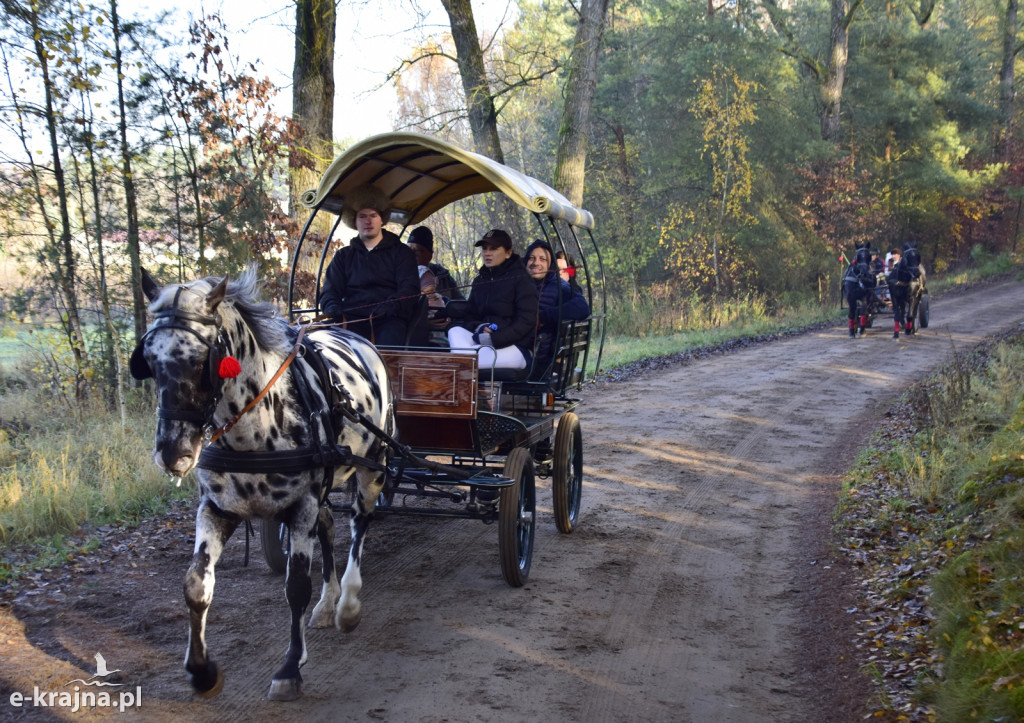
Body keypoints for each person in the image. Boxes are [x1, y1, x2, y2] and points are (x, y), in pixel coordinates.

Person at [318, 184, 421, 346]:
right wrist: (332, 308)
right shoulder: (343, 256)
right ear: (354, 220)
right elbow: (329, 292)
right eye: (362, 216)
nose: (368, 221)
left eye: (373, 215)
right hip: (349, 321)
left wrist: (392, 306)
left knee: (388, 345)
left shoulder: (401, 253)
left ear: (382, 219)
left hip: (388, 320)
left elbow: (409, 290)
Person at [445, 229, 539, 371]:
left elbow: (526, 322)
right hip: (482, 342)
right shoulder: (480, 280)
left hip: (515, 347)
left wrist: (495, 339)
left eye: (493, 249)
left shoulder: (522, 280)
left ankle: (459, 365)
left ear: (508, 253)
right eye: (484, 249)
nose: (487, 253)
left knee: (463, 364)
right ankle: (462, 364)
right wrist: (479, 327)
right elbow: (470, 317)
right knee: (455, 331)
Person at [524, 239, 590, 371]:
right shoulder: (520, 284)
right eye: (531, 258)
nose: (536, 263)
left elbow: (582, 307)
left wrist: (542, 317)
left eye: (542, 259)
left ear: (550, 265)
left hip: (538, 358)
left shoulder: (559, 286)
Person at [407, 226, 464, 301]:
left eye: (417, 251)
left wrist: (443, 301)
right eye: (408, 250)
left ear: (429, 256)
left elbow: (460, 302)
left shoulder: (443, 277)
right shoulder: (399, 275)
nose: (410, 256)